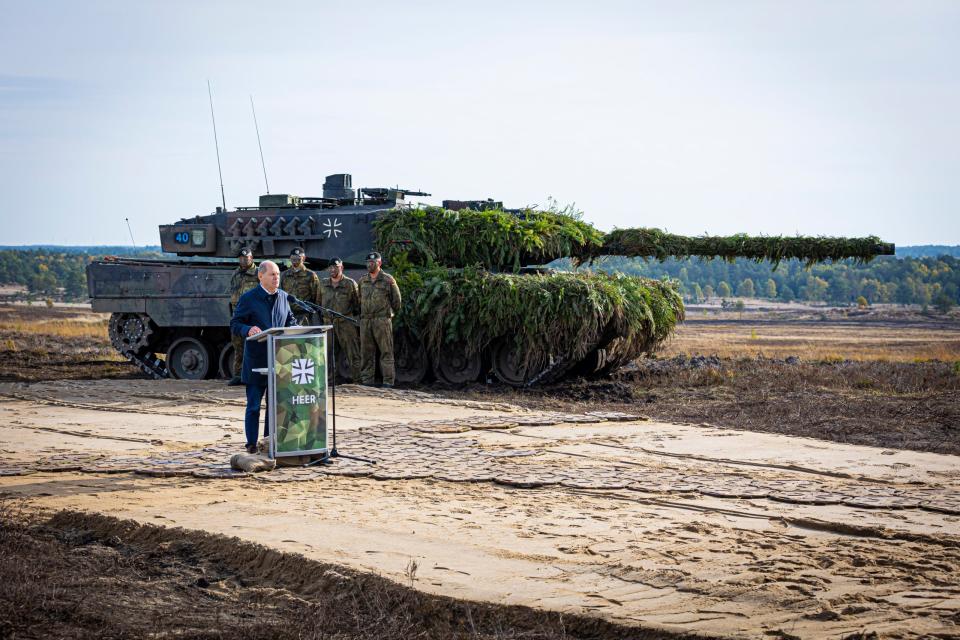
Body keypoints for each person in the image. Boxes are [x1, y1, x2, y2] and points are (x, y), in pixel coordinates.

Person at [230, 260, 299, 453]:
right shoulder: (249, 298)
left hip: (279, 360)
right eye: (272, 274)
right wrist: (247, 329)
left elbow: (289, 320)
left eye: (278, 274)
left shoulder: (284, 297)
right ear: (261, 276)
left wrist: (295, 328)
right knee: (253, 406)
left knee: (274, 405)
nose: (277, 278)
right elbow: (235, 323)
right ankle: (251, 444)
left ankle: (269, 442)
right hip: (256, 361)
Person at [358, 251, 401, 387]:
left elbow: (397, 301)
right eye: (368, 263)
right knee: (366, 352)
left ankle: (388, 382)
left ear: (379, 263)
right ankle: (367, 381)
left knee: (386, 351)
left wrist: (388, 314)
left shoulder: (388, 280)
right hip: (366, 321)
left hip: (382, 320)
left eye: (373, 262)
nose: (370, 265)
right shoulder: (362, 280)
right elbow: (359, 299)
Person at [319, 258, 361, 381]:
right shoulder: (323, 284)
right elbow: (318, 301)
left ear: (341, 268)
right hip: (328, 323)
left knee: (352, 352)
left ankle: (357, 380)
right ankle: (331, 379)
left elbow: (357, 304)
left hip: (345, 323)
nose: (332, 270)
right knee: (328, 353)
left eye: (335, 267)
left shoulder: (350, 284)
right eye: (330, 267)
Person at [227, 248, 259, 386]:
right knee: (238, 345)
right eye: (241, 258)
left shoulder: (259, 273)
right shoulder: (236, 274)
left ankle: (253, 375)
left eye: (247, 258)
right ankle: (238, 375)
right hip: (238, 314)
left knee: (253, 347)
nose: (244, 260)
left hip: (252, 316)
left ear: (252, 258)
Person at [280, 247, 321, 325]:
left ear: (304, 258)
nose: (295, 261)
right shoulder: (285, 275)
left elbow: (317, 297)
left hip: (306, 316)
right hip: (289, 315)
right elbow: (283, 295)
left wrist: (314, 312)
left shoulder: (311, 275)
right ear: (290, 259)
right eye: (293, 259)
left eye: (299, 259)